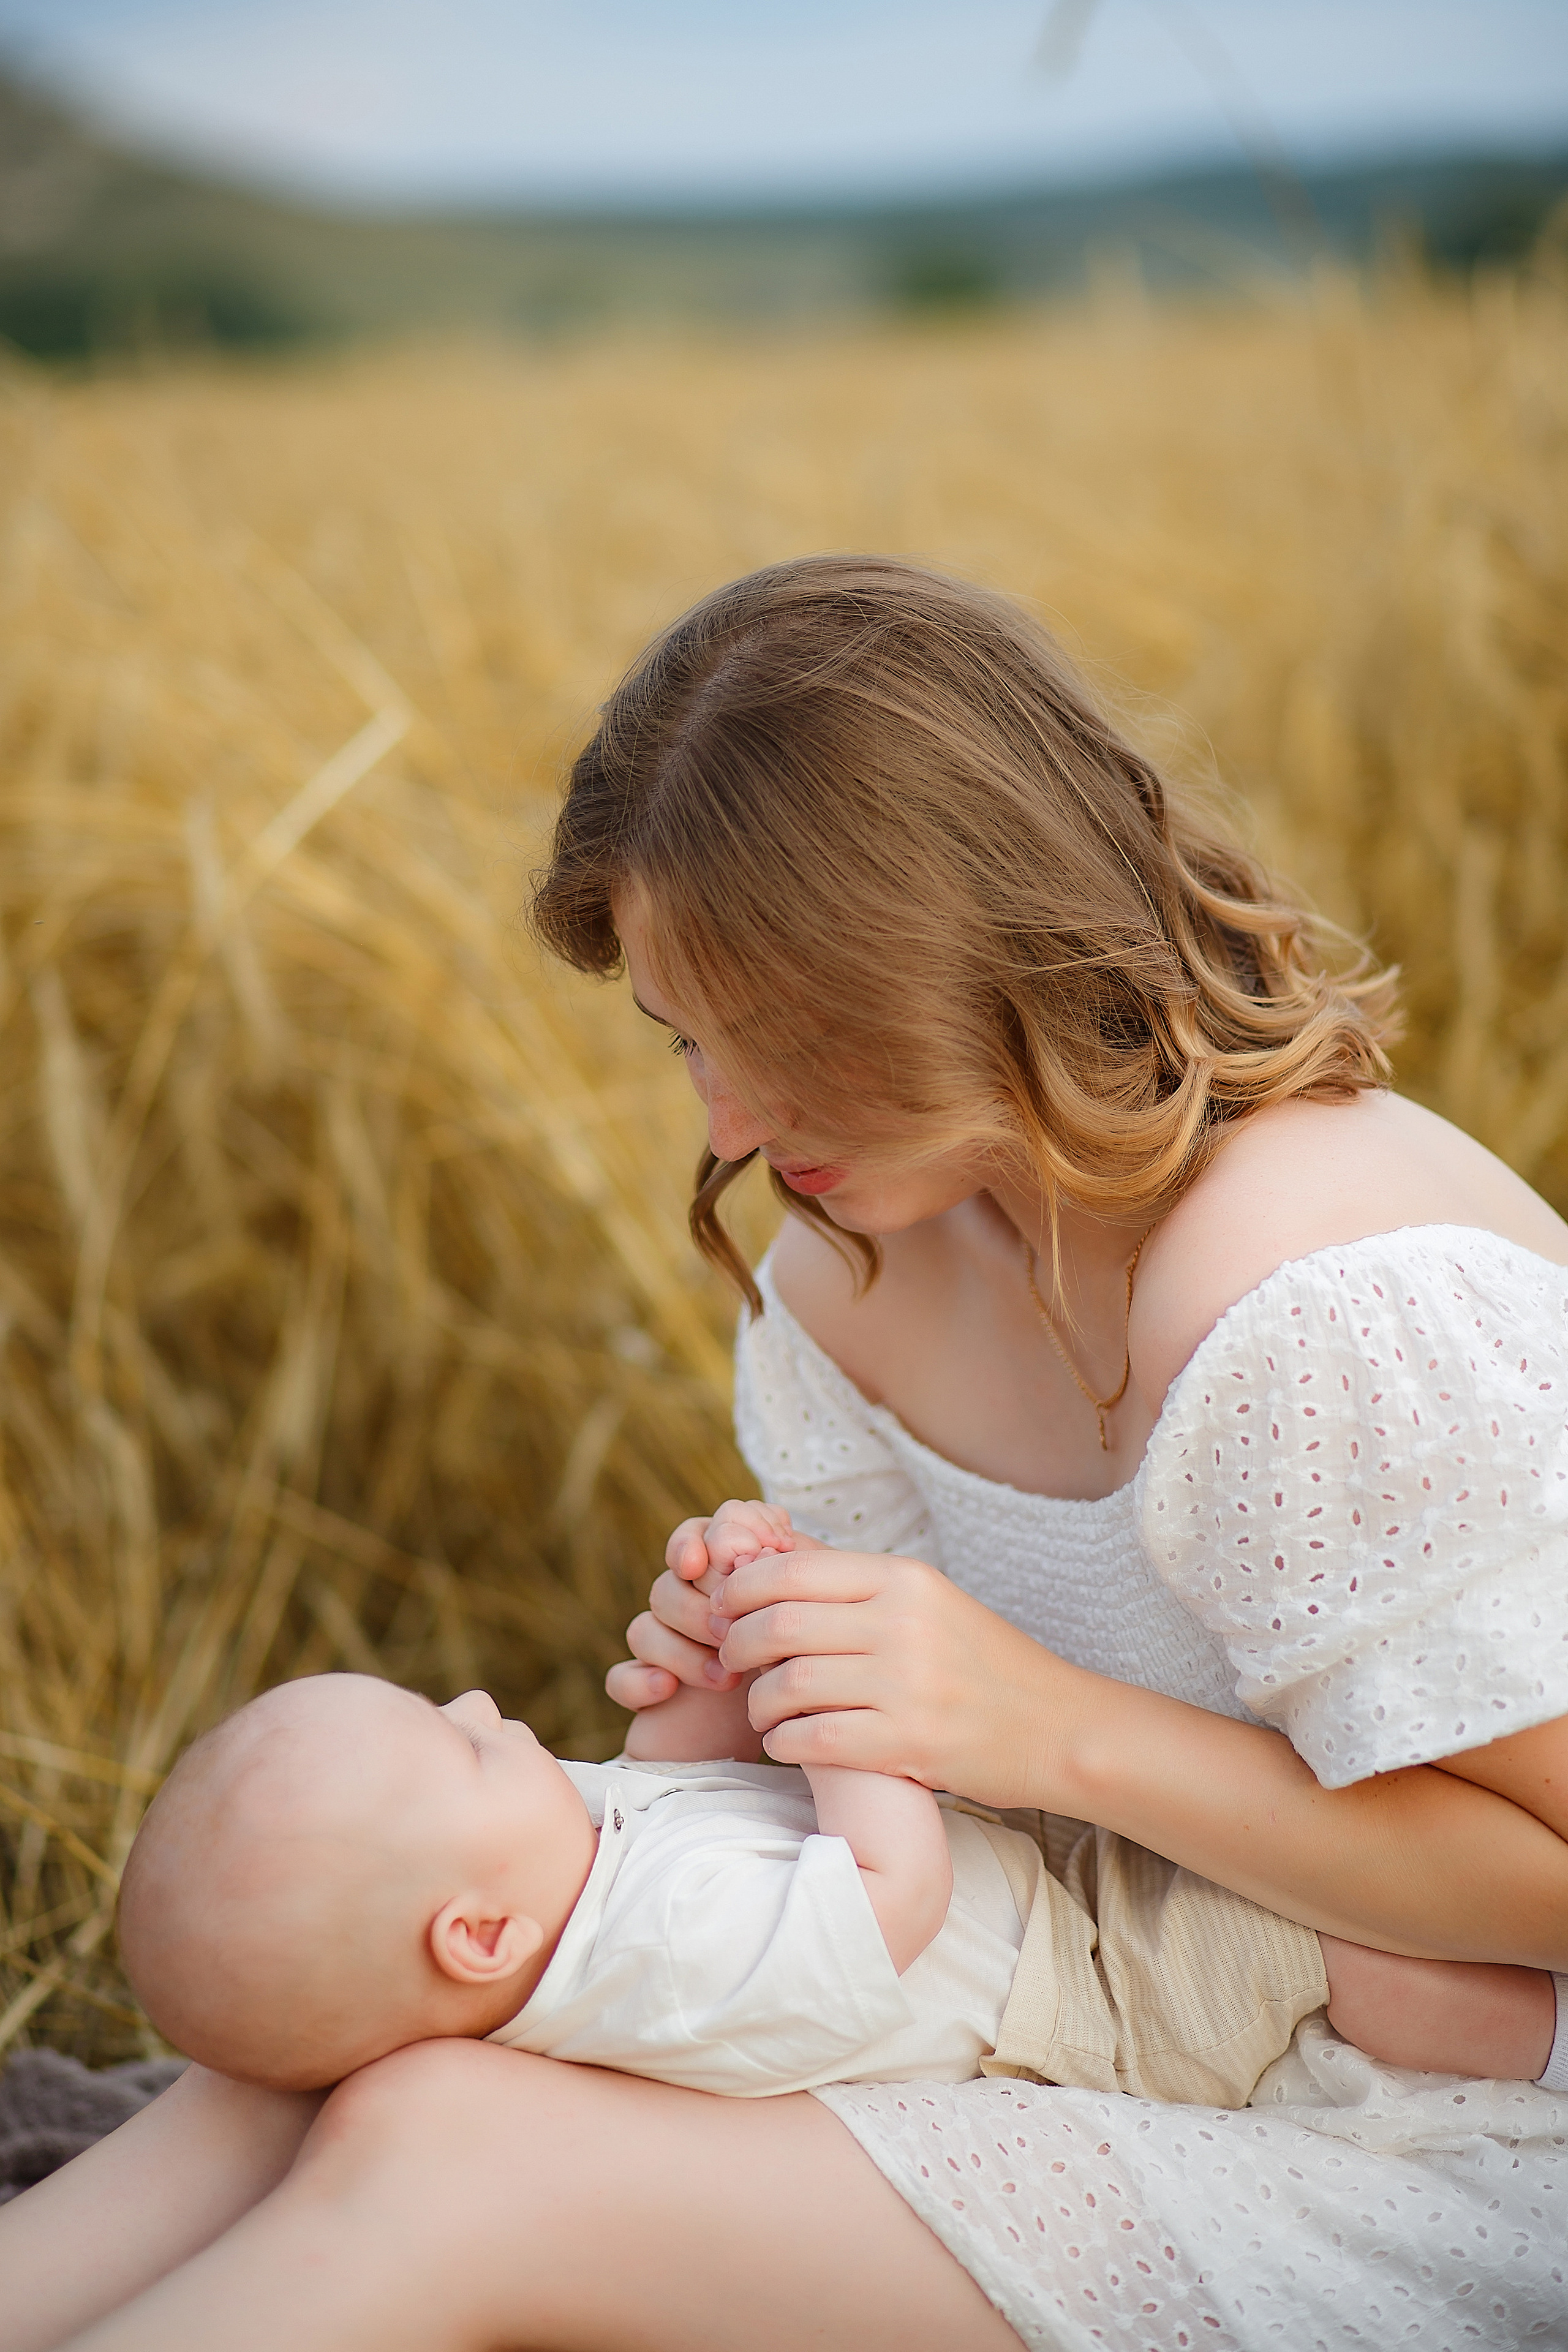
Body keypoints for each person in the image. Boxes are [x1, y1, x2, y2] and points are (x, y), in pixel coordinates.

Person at [2, 554, 1566, 2351]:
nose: (734, 1128)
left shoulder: (1302, 1306)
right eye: (689, 1047)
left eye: (789, 1049)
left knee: (458, 2159)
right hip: (1074, 1996)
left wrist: (1030, 1723)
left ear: (982, 949)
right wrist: (766, 1704)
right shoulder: (856, 1272)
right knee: (388, 2011)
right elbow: (935, 1851)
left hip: (1456, 2120)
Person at [112, 1566, 1555, 2109]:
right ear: (474, 1937)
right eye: (458, 1742)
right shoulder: (657, 1968)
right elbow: (885, 1897)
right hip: (1096, 1991)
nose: (488, 1704)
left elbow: (680, 1786)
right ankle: (1532, 2054)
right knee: (1327, 1953)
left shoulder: (553, 1878)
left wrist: (720, 1667)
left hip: (1045, 1885)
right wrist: (856, 1727)